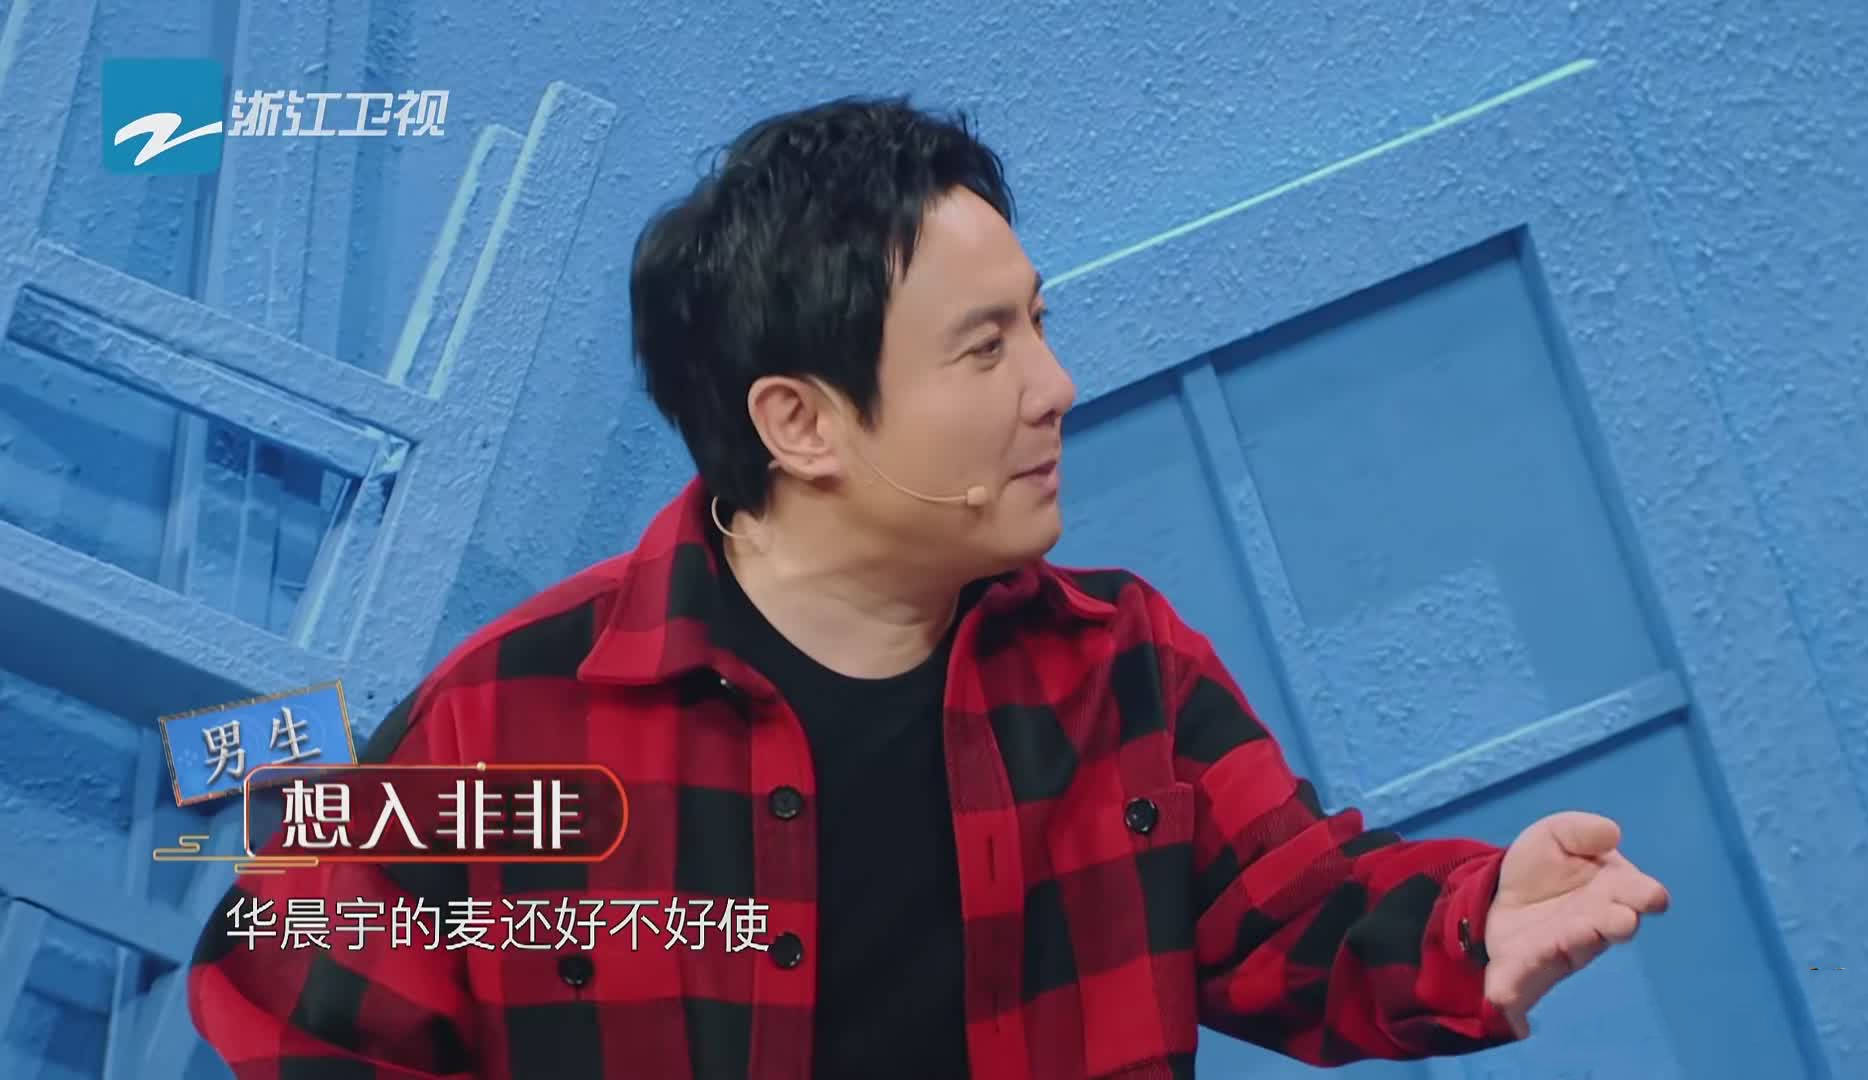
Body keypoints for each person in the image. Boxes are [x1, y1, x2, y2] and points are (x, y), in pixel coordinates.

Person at [187, 96, 1669, 1079]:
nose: (1055, 387)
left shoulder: (1121, 666)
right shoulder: (501, 718)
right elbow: (289, 1015)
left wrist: (1480, 922)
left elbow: (1299, 919)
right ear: (801, 424)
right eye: (985, 348)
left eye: (1039, 325)